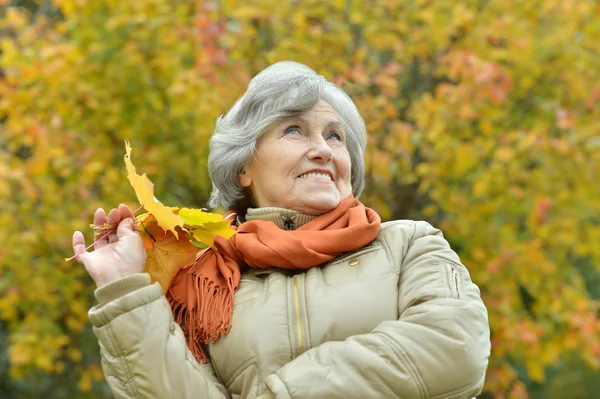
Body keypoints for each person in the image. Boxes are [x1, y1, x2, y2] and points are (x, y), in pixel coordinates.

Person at [72, 61, 490, 399]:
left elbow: (455, 349)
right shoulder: (203, 283)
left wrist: (288, 392)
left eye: (335, 136)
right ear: (243, 166)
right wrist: (126, 291)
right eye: (294, 130)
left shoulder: (409, 244)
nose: (323, 150)